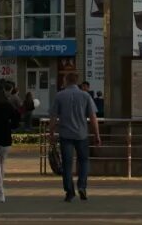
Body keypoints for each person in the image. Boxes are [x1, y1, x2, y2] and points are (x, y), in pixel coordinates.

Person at [49, 72, 101, 202]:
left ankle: (69, 192)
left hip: (65, 134)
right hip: (81, 134)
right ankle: (82, 186)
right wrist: (97, 135)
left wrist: (51, 133)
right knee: (83, 162)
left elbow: (54, 117)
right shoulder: (85, 96)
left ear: (66, 81)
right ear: (77, 81)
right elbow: (93, 118)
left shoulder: (59, 96)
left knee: (67, 164)